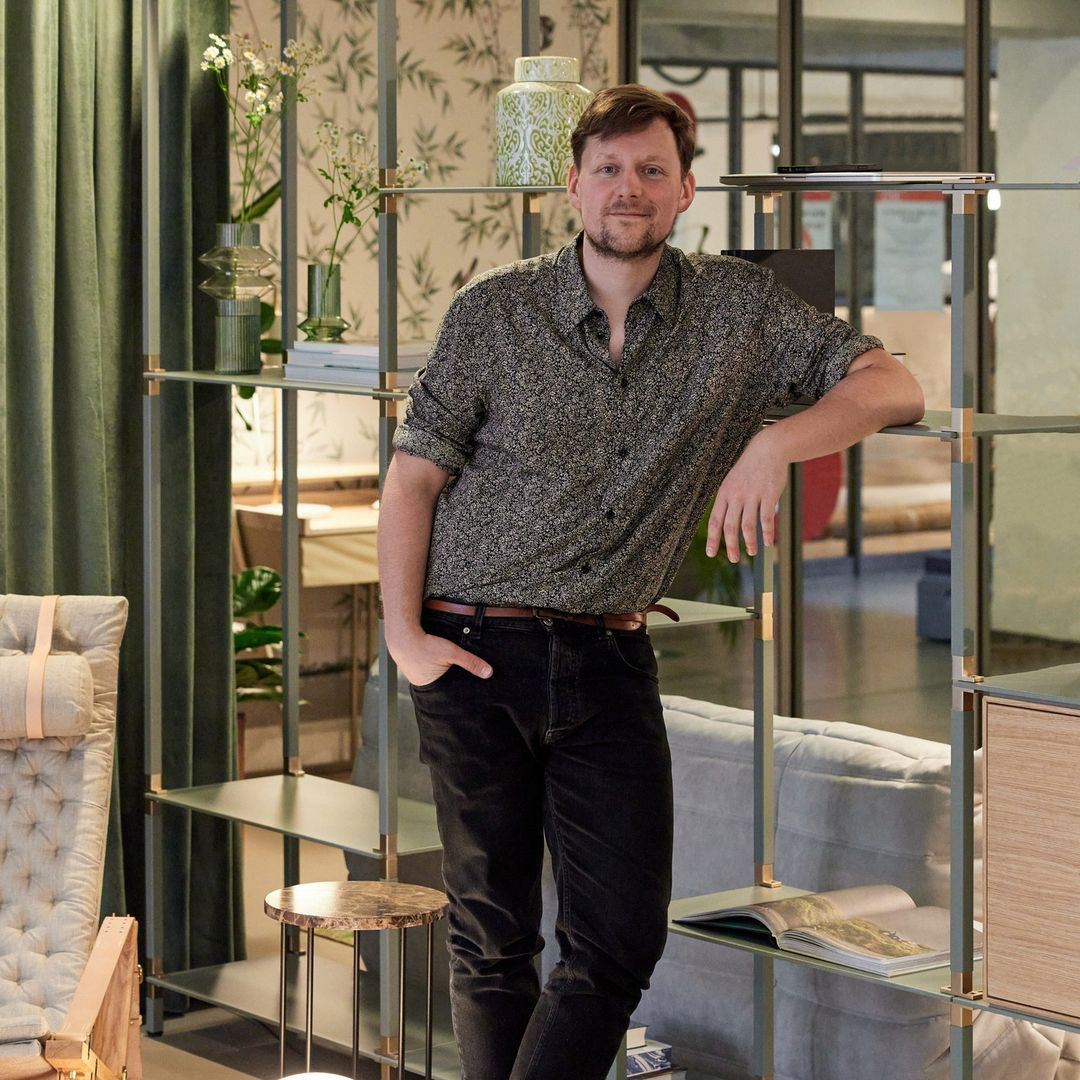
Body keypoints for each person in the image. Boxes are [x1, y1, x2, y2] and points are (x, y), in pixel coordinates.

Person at [377, 84, 924, 1080]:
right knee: (493, 938)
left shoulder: (739, 309)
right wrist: (407, 642)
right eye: (610, 169)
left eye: (651, 170)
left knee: (620, 938)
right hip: (473, 651)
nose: (628, 188)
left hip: (609, 657)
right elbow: (412, 478)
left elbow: (894, 384)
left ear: (685, 191)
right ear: (575, 186)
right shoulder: (494, 310)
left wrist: (774, 443)